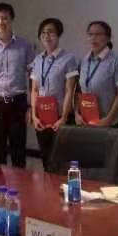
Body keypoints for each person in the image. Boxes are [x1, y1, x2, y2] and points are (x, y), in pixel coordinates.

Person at [0, 3, 34, 167]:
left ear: (11, 20)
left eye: (4, 18)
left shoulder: (25, 45)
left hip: (17, 103)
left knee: (18, 150)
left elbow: (32, 77)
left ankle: (21, 183)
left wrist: (31, 106)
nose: (0, 22)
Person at [30, 18, 79, 171]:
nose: (47, 36)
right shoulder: (37, 60)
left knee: (62, 162)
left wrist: (63, 117)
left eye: (51, 32)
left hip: (60, 117)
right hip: (41, 118)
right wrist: (34, 116)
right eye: (43, 33)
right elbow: (34, 90)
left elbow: (70, 90)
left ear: (58, 35)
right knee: (46, 160)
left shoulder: (68, 59)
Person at [75, 21, 118, 128]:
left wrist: (109, 118)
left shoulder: (117, 60)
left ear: (108, 38)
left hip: (108, 122)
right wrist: (77, 113)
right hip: (86, 120)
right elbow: (79, 91)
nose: (94, 38)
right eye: (90, 34)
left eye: (98, 34)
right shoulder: (84, 60)